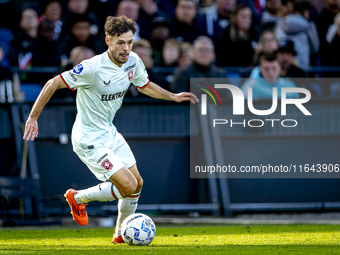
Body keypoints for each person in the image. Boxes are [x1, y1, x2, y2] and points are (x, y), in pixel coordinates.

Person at [23, 15, 198, 243]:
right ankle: (78, 197)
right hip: (88, 139)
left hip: (110, 133)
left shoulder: (133, 61)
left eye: (129, 42)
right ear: (108, 40)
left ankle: (119, 235)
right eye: (120, 43)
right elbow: (52, 83)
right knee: (127, 185)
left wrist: (172, 96)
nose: (126, 48)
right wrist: (33, 117)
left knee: (138, 184)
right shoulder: (92, 68)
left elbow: (144, 85)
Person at [275, 1, 319, 70]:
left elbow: (276, 42)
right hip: (303, 66)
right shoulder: (310, 26)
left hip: (282, 65)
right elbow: (315, 48)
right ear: (306, 11)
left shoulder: (280, 22)